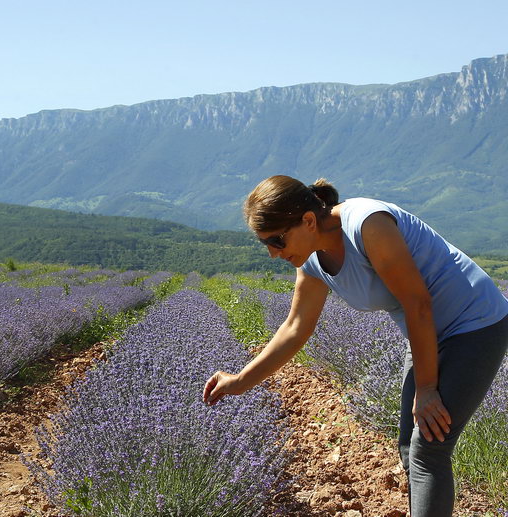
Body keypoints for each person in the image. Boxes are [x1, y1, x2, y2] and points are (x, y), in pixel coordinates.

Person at [202, 175, 508, 517]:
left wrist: (427, 387)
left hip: (475, 322)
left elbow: (418, 302)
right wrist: (240, 381)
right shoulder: (313, 260)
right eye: (266, 244)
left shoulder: (368, 224)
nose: (274, 253)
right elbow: (295, 328)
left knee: (428, 449)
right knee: (410, 450)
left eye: (276, 240)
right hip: (425, 330)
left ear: (307, 221)